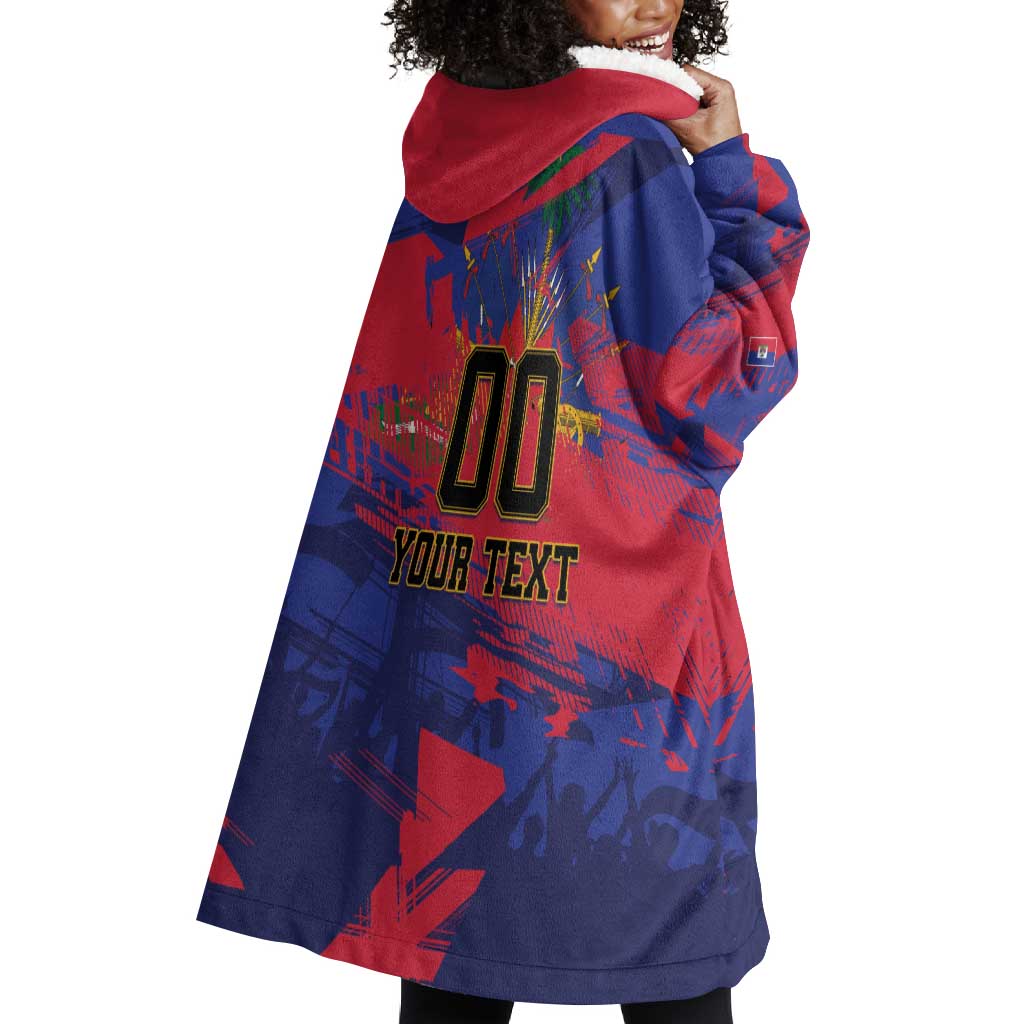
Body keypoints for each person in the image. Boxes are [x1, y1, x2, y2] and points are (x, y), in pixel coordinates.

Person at [196, 1, 810, 1021]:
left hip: (448, 607)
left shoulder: (457, 142)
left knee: (452, 929)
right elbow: (716, 390)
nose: (654, 3)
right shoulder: (629, 153)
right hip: (611, 637)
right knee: (674, 943)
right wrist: (737, 184)